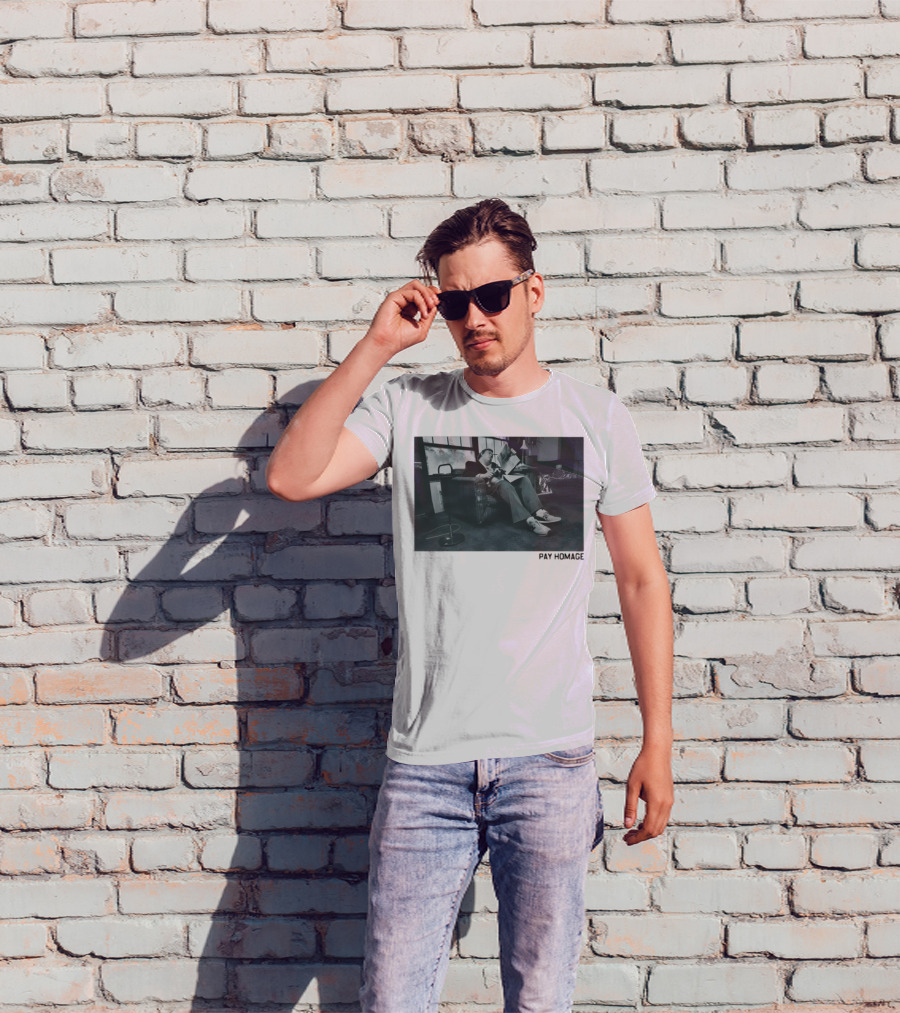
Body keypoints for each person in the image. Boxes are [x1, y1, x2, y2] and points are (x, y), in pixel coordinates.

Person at [266, 199, 674, 1013]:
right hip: (426, 768)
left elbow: (640, 580)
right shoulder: (411, 407)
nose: (474, 318)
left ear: (534, 291)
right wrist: (379, 346)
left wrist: (657, 740)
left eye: (492, 296)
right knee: (393, 1000)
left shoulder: (595, 420)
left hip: (551, 763)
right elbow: (292, 476)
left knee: (539, 1000)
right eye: (455, 303)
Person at [475, 445, 561, 535]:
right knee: (504, 484)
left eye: (493, 454)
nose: (492, 455)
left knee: (523, 479)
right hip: (491, 488)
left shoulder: (494, 465)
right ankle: (530, 521)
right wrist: (483, 475)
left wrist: (511, 460)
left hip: (504, 484)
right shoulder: (472, 464)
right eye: (489, 453)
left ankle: (539, 513)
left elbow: (506, 472)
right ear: (481, 454)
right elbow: (467, 474)